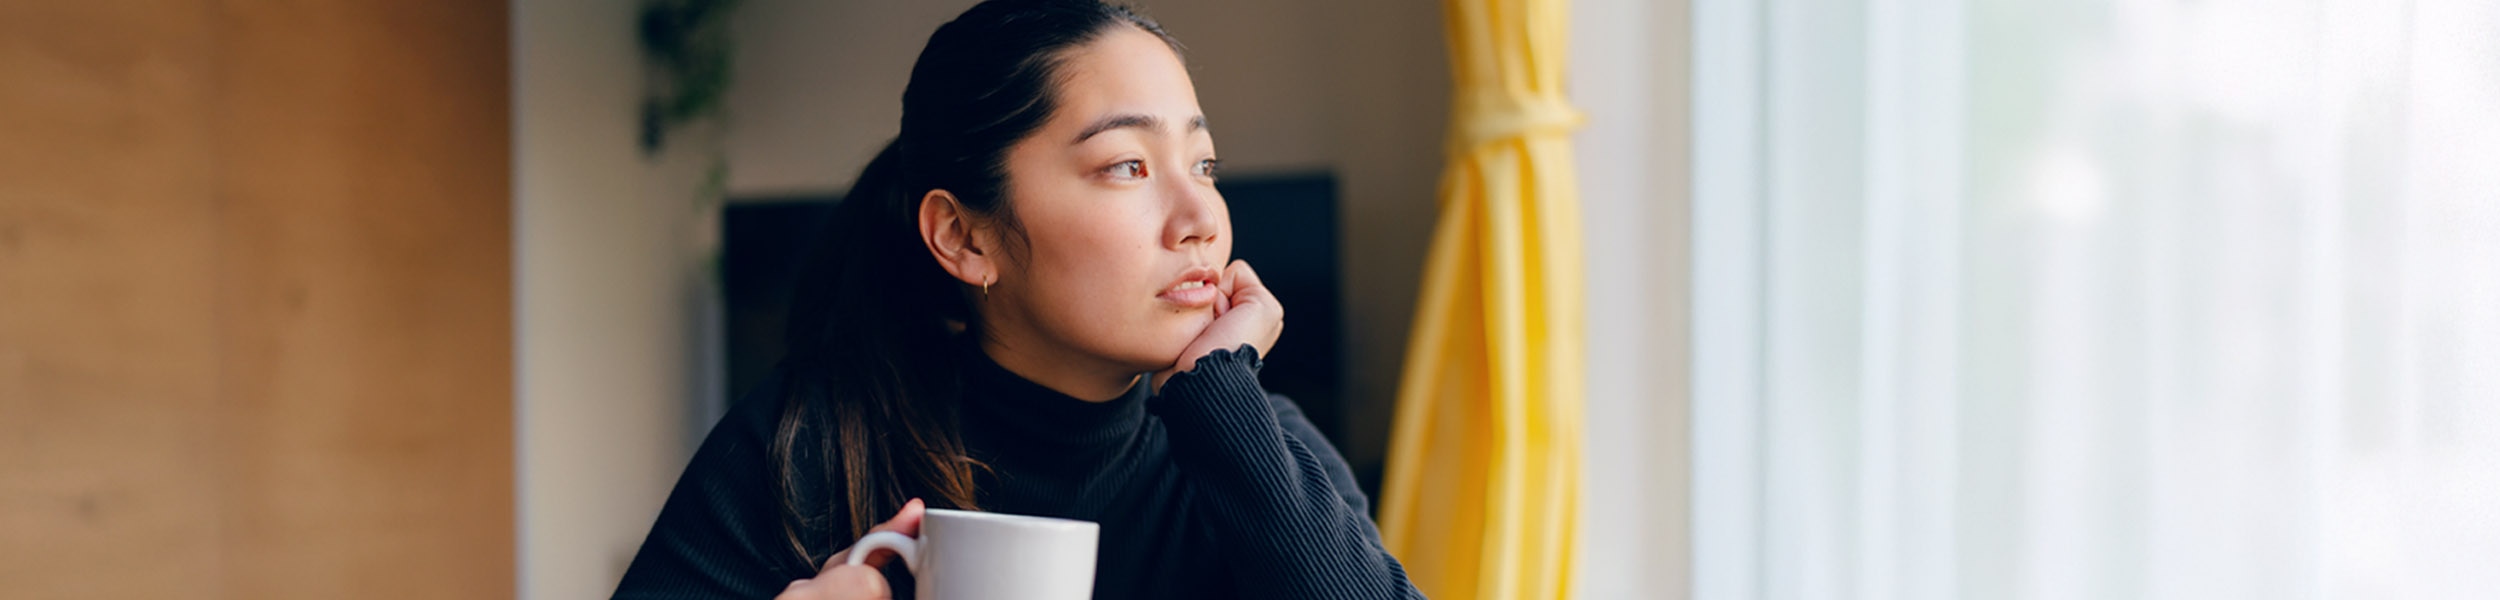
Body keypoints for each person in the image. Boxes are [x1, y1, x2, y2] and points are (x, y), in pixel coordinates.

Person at [610, 1, 1422, 598]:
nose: (1203, 219)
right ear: (966, 238)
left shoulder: (1257, 452)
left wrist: (1221, 394)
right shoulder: (813, 449)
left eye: (1203, 166)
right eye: (1127, 167)